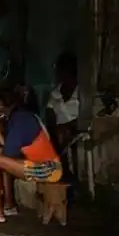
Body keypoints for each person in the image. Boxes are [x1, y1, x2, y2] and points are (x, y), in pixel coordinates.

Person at [0, 89, 62, 224]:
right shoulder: (21, 116)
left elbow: (7, 152)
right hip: (43, 166)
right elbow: (8, 148)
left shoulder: (21, 119)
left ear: (1, 105)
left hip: (49, 170)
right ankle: (6, 206)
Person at [45, 51, 79, 181]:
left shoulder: (80, 91)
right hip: (60, 134)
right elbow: (50, 118)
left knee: (62, 135)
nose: (60, 73)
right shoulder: (55, 93)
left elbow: (85, 116)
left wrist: (68, 127)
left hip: (76, 129)